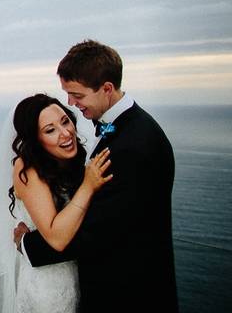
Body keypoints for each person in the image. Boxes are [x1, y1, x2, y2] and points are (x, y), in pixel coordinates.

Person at [16, 40, 178, 313]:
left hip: (129, 295)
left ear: (106, 89)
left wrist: (26, 243)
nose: (70, 103)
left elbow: (96, 231)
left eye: (77, 95)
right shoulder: (128, 129)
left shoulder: (132, 146)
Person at [0, 94, 112, 313]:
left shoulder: (72, 162)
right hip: (49, 286)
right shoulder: (28, 170)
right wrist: (89, 186)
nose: (65, 133)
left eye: (65, 121)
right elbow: (57, 238)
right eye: (50, 130)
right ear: (36, 139)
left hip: (81, 276)